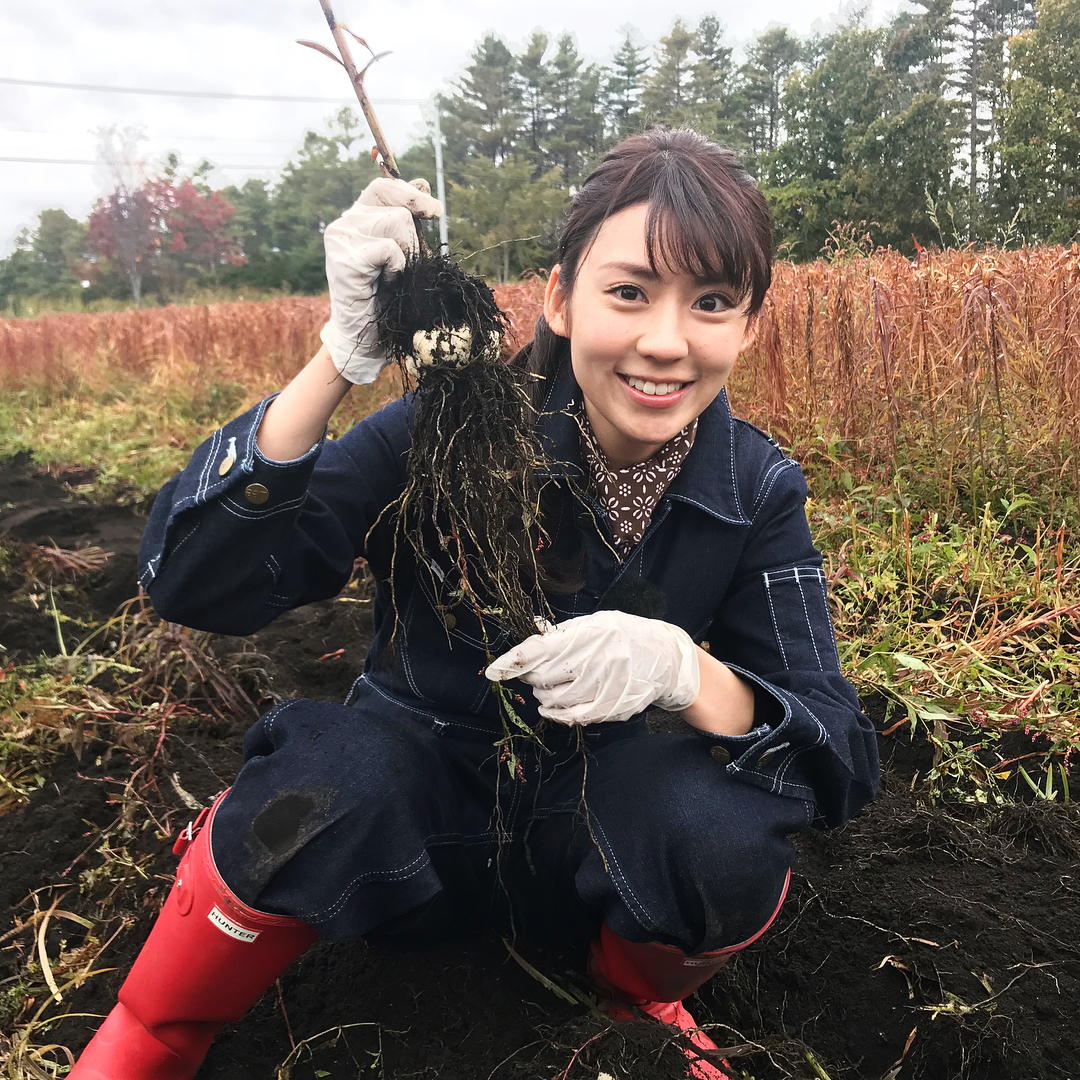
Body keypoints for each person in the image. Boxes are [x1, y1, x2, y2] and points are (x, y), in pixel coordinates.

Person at [70, 128, 879, 1080]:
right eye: (629, 291)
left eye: (710, 303)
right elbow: (193, 581)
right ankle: (154, 1029)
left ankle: (633, 997)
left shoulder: (754, 490)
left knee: (717, 835)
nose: (666, 341)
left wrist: (682, 670)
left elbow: (835, 747)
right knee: (316, 788)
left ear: (748, 326)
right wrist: (339, 359)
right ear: (560, 299)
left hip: (593, 853)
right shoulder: (453, 426)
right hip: (415, 835)